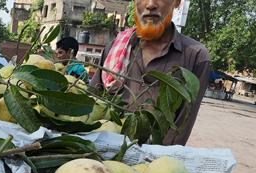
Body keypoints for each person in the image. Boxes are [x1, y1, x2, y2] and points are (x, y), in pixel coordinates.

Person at [89, 0, 209, 145]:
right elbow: (91, 105)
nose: (151, 4)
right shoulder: (115, 48)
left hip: (154, 160)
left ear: (177, 2)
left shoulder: (195, 56)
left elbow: (180, 129)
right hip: (104, 153)